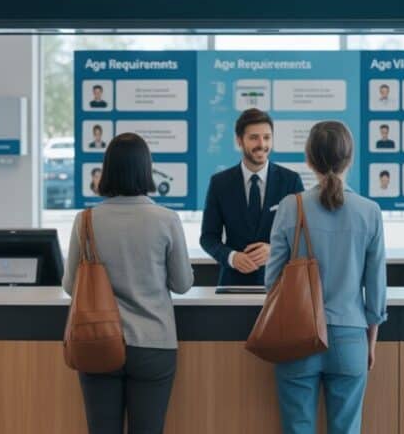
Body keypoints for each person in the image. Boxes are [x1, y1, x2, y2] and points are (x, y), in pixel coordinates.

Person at [63, 132, 194, 434]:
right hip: (153, 344)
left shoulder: (85, 221)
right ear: (146, 169)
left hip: (97, 341)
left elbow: (71, 286)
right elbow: (182, 283)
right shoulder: (167, 219)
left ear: (107, 170)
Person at [266, 121, 387, 434]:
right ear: (349, 159)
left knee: (297, 428)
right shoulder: (370, 211)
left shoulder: (289, 208)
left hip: (297, 337)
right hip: (350, 338)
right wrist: (369, 343)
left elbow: (272, 282)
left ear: (308, 159)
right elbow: (376, 294)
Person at [200, 108, 304, 286]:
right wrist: (232, 257)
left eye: (267, 137)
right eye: (254, 137)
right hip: (233, 285)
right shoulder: (220, 183)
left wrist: (274, 250)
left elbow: (302, 234)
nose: (262, 144)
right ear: (239, 140)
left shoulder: (290, 181)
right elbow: (208, 237)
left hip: (280, 285)